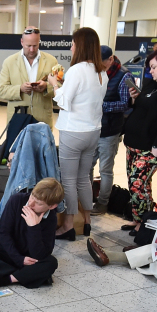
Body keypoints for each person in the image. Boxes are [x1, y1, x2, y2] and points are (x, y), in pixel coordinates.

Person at [48, 27, 107, 240]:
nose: (71, 47)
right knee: (84, 178)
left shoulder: (76, 70)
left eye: (73, 43)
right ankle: (88, 222)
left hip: (73, 132)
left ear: (80, 45)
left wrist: (55, 84)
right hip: (93, 132)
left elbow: (64, 102)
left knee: (69, 180)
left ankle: (68, 226)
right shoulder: (101, 72)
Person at [121, 47, 157, 231]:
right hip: (133, 143)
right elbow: (142, 109)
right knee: (134, 183)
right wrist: (135, 98)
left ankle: (145, 222)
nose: (150, 71)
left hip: (150, 146)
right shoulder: (151, 83)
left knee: (139, 182)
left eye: (154, 67)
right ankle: (139, 219)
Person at [0, 178, 62, 289]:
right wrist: (19, 260)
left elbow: (40, 254)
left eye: (38, 203)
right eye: (32, 197)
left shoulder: (51, 218)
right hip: (5, 251)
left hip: (28, 256)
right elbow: (3, 234)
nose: (31, 204)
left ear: (52, 206)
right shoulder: (17, 200)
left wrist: (33, 227)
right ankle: (29, 276)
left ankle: (5, 279)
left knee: (51, 263)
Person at [92, 46, 130, 214]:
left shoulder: (124, 75)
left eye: (102, 63)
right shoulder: (95, 72)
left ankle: (102, 203)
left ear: (111, 59)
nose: (99, 67)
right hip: (92, 128)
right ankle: (86, 201)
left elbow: (125, 103)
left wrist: (102, 106)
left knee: (105, 170)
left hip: (110, 130)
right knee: (86, 166)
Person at [0, 27, 59, 125]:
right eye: (28, 46)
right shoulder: (9, 62)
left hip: (42, 120)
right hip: (18, 119)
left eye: (35, 45)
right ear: (21, 42)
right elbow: (1, 90)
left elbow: (60, 87)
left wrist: (46, 87)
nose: (32, 50)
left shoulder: (51, 61)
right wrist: (20, 89)